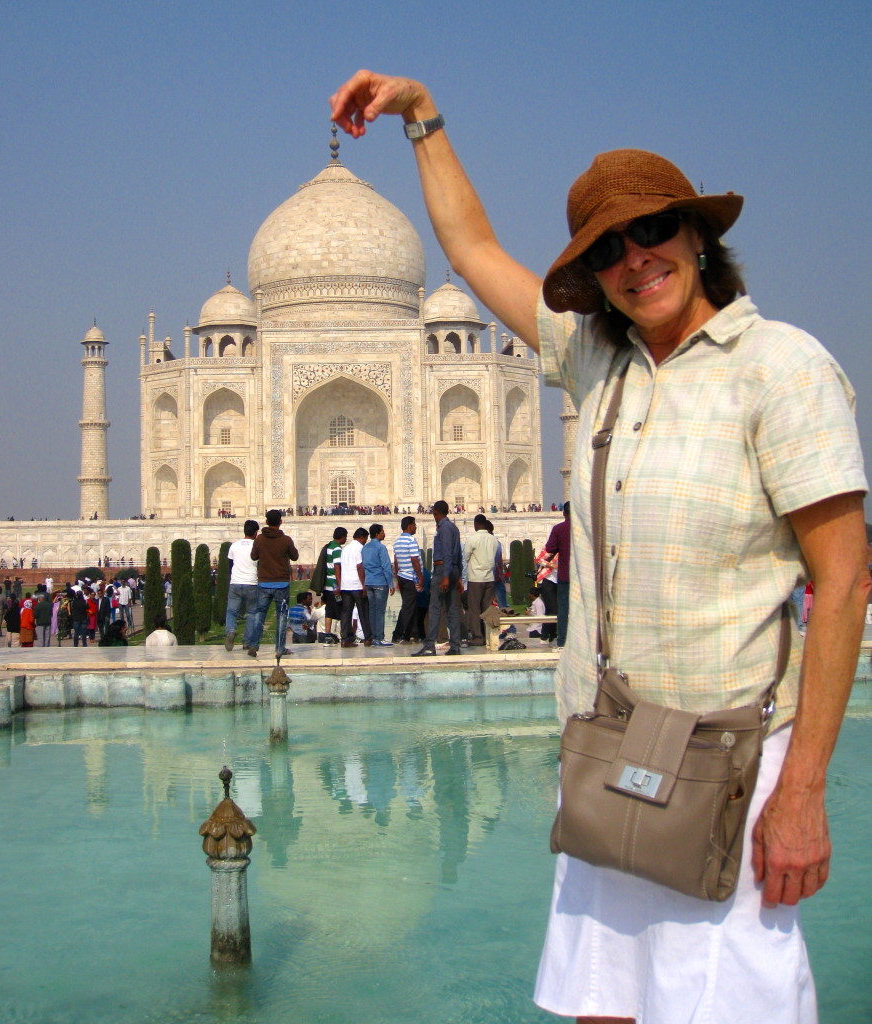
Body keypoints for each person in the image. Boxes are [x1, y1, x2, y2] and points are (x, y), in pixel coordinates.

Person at [331, 71, 869, 1023]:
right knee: (603, 1010)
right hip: (609, 746)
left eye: (653, 231)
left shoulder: (782, 369)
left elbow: (845, 579)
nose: (636, 259)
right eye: (608, 247)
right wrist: (423, 119)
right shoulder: (595, 358)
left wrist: (805, 795)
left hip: (731, 763)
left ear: (698, 236)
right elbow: (470, 248)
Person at [411, 500, 463, 656]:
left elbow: (447, 553)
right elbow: (458, 555)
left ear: (436, 513)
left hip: (443, 570)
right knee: (452, 608)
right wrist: (457, 575)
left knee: (434, 608)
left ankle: (429, 646)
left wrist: (446, 576)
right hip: (452, 570)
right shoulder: (453, 527)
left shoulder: (445, 529)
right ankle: (455, 646)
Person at [250, 509, 298, 659]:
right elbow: (295, 556)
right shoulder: (286, 540)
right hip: (281, 584)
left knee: (259, 615)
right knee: (282, 617)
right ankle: (279, 649)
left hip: (264, 583)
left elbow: (253, 556)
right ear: (280, 522)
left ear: (266, 522)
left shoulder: (259, 539)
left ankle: (254, 645)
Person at [462, 513, 500, 647]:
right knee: (487, 608)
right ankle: (488, 635)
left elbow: (465, 557)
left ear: (476, 524)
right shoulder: (494, 540)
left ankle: (478, 637)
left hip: (476, 578)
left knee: (474, 609)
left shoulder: (473, 539)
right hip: (490, 578)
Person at [224, 518, 260, 652]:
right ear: (256, 532)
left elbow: (230, 565)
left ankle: (231, 631)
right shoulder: (257, 546)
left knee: (232, 612)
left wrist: (234, 578)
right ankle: (247, 642)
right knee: (251, 613)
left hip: (235, 583)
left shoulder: (234, 545)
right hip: (251, 583)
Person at [391, 515, 424, 643]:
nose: (415, 527)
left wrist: (398, 576)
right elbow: (414, 559)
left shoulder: (397, 541)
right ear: (410, 526)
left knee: (411, 605)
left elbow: (396, 561)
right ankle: (400, 634)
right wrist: (420, 576)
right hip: (410, 577)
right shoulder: (411, 540)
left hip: (402, 577)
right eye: (414, 524)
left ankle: (414, 634)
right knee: (408, 607)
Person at [543, 502, 571, 647]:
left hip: (565, 575)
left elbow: (550, 549)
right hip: (584, 577)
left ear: (563, 513)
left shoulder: (559, 529)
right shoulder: (587, 529)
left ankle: (562, 641)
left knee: (563, 609)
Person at [361, 523, 394, 646]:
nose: (384, 534)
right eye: (382, 532)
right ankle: (379, 637)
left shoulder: (365, 548)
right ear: (377, 534)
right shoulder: (381, 548)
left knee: (372, 611)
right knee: (380, 611)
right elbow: (386, 567)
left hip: (368, 582)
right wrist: (391, 584)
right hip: (380, 582)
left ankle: (373, 637)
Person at [339, 528, 372, 648]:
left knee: (346, 612)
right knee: (363, 611)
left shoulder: (346, 548)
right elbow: (359, 567)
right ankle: (368, 638)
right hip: (356, 584)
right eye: (365, 539)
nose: (365, 542)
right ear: (362, 537)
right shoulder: (359, 548)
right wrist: (364, 584)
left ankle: (345, 639)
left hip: (345, 584)